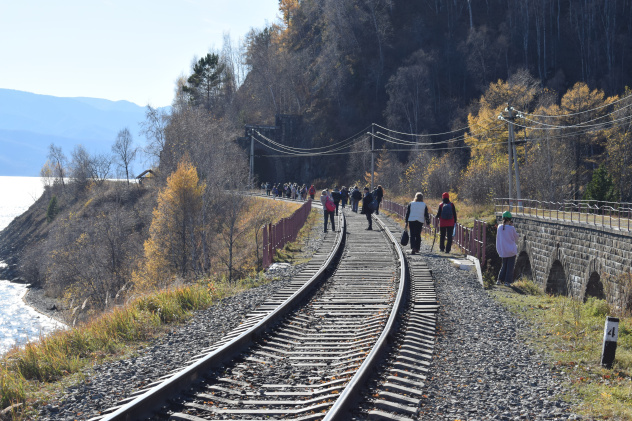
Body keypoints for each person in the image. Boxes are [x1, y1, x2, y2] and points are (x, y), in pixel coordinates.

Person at [496, 211, 520, 286]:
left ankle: (499, 280)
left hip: (503, 250)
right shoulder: (511, 228)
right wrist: (512, 226)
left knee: (504, 266)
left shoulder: (499, 227)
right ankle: (507, 282)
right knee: (510, 267)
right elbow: (516, 238)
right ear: (510, 220)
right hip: (511, 251)